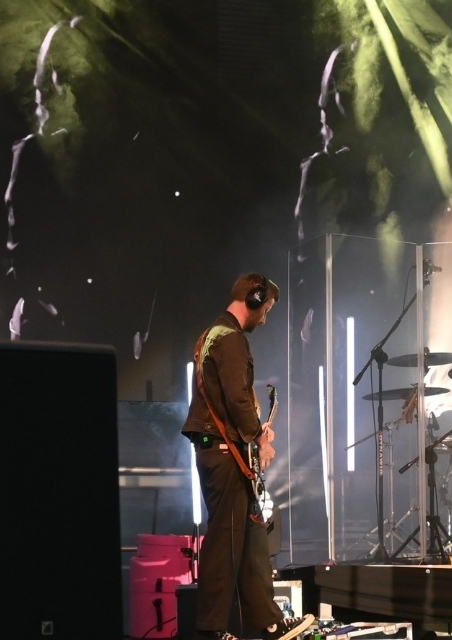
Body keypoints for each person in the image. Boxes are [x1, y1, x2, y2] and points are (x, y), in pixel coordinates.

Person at [182, 273, 315, 640]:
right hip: (223, 453)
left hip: (225, 449)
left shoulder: (215, 335)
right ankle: (211, 630)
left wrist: (254, 433)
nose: (265, 318)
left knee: (252, 539)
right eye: (266, 309)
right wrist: (259, 438)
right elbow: (238, 398)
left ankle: (268, 622)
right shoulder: (229, 338)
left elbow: (232, 400)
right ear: (254, 299)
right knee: (225, 542)